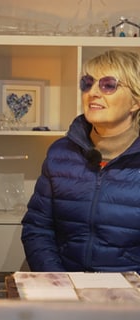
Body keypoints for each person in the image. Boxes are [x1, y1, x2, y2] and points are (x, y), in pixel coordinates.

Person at [21, 49, 140, 273]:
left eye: (108, 85)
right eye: (87, 83)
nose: (92, 92)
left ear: (135, 102)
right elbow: (37, 228)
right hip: (66, 293)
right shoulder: (60, 153)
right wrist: (59, 283)